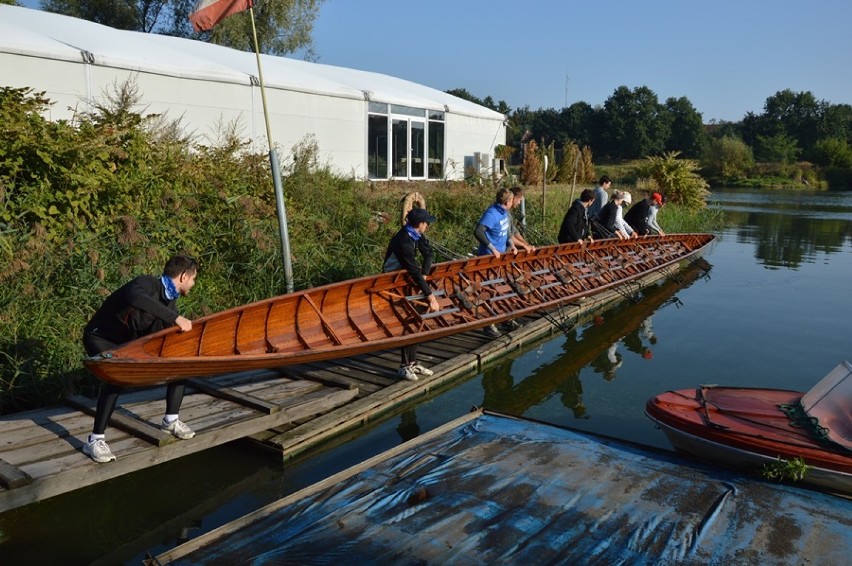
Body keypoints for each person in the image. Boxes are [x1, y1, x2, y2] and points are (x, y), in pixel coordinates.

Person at [82, 255, 199, 463]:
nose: (193, 284)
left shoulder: (170, 304)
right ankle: (94, 440)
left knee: (180, 364)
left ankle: (171, 420)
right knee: (115, 377)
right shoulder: (145, 283)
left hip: (128, 344)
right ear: (183, 276)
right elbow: (136, 298)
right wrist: (175, 318)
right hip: (100, 337)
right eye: (193, 279)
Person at [383, 207, 440, 381]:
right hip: (393, 281)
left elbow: (428, 253)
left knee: (417, 319)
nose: (428, 226)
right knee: (407, 319)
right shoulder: (403, 241)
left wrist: (425, 273)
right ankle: (404, 366)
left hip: (409, 277)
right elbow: (413, 270)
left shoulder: (416, 235)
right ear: (420, 224)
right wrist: (431, 297)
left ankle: (413, 363)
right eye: (426, 223)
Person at [475, 187, 518, 258]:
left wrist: (512, 245)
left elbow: (505, 230)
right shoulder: (492, 214)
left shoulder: (504, 212)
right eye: (511, 201)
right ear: (507, 203)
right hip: (489, 255)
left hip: (501, 254)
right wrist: (493, 249)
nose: (512, 203)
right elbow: (478, 232)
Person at [508, 186, 535, 253]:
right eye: (519, 200)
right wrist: (523, 245)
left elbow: (514, 231)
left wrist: (526, 244)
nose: (519, 203)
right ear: (514, 198)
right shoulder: (503, 214)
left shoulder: (508, 213)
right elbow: (508, 236)